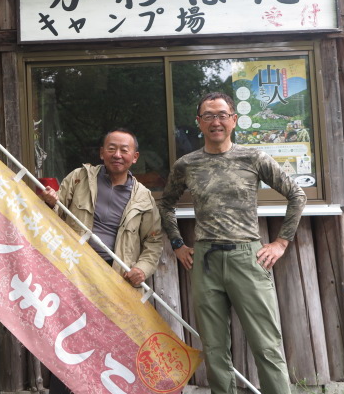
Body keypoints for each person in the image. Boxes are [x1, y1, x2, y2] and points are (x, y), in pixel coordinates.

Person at [158, 92, 307, 394]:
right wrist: (177, 243)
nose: (216, 122)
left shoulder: (254, 158)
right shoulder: (187, 164)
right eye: (208, 116)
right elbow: (166, 204)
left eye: (222, 115)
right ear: (199, 122)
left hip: (248, 258)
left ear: (234, 120)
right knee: (214, 348)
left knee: (266, 344)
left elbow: (297, 195)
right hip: (205, 261)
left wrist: (281, 242)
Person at [38, 128, 165, 394]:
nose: (117, 154)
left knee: (105, 340)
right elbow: (54, 216)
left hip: (115, 278)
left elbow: (153, 242)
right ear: (101, 153)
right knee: (66, 335)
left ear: (134, 157)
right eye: (111, 148)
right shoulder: (79, 178)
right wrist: (49, 203)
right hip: (75, 270)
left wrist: (142, 269)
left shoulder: (143, 197)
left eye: (124, 150)